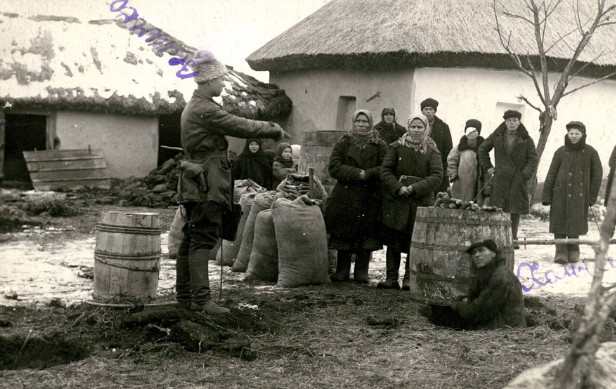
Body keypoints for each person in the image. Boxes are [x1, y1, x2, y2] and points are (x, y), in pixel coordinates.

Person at [177, 50, 288, 314]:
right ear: (208, 79)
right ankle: (202, 300)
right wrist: (272, 128)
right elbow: (239, 125)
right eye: (220, 80)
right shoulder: (204, 108)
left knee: (191, 239)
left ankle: (186, 297)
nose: (224, 84)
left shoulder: (196, 106)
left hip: (197, 179)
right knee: (202, 239)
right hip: (207, 180)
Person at [378, 114, 443, 290]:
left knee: (414, 240)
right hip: (397, 200)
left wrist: (415, 188)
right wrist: (398, 187)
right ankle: (391, 277)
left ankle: (409, 278)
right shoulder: (396, 148)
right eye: (413, 127)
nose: (416, 130)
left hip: (419, 201)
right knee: (394, 239)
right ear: (408, 128)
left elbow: (437, 176)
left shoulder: (432, 150)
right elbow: (385, 171)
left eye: (419, 127)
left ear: (425, 129)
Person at [324, 110, 387, 283]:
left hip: (370, 194)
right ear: (353, 123)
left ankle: (361, 271)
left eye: (364, 121)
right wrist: (355, 173)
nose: (361, 125)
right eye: (358, 121)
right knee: (343, 232)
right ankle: (341, 270)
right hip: (346, 194)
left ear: (370, 123)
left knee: (366, 234)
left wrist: (367, 174)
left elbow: (385, 167)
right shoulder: (343, 142)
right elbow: (334, 167)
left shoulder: (380, 144)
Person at [541, 121, 602, 263]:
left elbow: (597, 176)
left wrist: (591, 196)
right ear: (567, 134)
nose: (574, 136)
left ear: (583, 135)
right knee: (559, 221)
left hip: (579, 195)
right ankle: (560, 251)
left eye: (577, 134)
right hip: (560, 193)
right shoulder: (560, 151)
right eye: (571, 133)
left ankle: (574, 249)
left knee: (575, 222)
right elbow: (551, 173)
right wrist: (547, 195)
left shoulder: (591, 152)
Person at [478, 110, 538, 248]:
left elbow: (533, 158)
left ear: (519, 122)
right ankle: (498, 238)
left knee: (514, 209)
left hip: (518, 178)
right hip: (500, 178)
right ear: (505, 122)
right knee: (498, 208)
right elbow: (482, 150)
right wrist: (489, 167)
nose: (512, 123)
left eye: (514, 120)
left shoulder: (526, 139)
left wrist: (525, 174)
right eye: (509, 120)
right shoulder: (496, 136)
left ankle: (513, 239)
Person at [451, 239, 526, 330]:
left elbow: (476, 312)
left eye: (481, 250)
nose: (476, 255)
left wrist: (458, 304)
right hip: (499, 328)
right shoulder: (490, 272)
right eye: (474, 252)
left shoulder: (501, 276)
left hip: (505, 332)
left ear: (493, 253)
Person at [447, 119, 489, 205]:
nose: (471, 133)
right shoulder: (459, 148)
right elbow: (451, 161)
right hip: (462, 180)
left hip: (478, 181)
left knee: (476, 202)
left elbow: (486, 164)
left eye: (475, 131)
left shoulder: (483, 148)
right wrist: (453, 175)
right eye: (469, 130)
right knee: (461, 202)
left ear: (479, 132)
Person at [420, 98, 452, 193]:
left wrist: (445, 167)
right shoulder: (416, 125)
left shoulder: (443, 127)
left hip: (437, 164)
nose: (428, 112)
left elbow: (448, 148)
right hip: (420, 164)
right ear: (422, 111)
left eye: (431, 109)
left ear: (435, 111)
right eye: (426, 109)